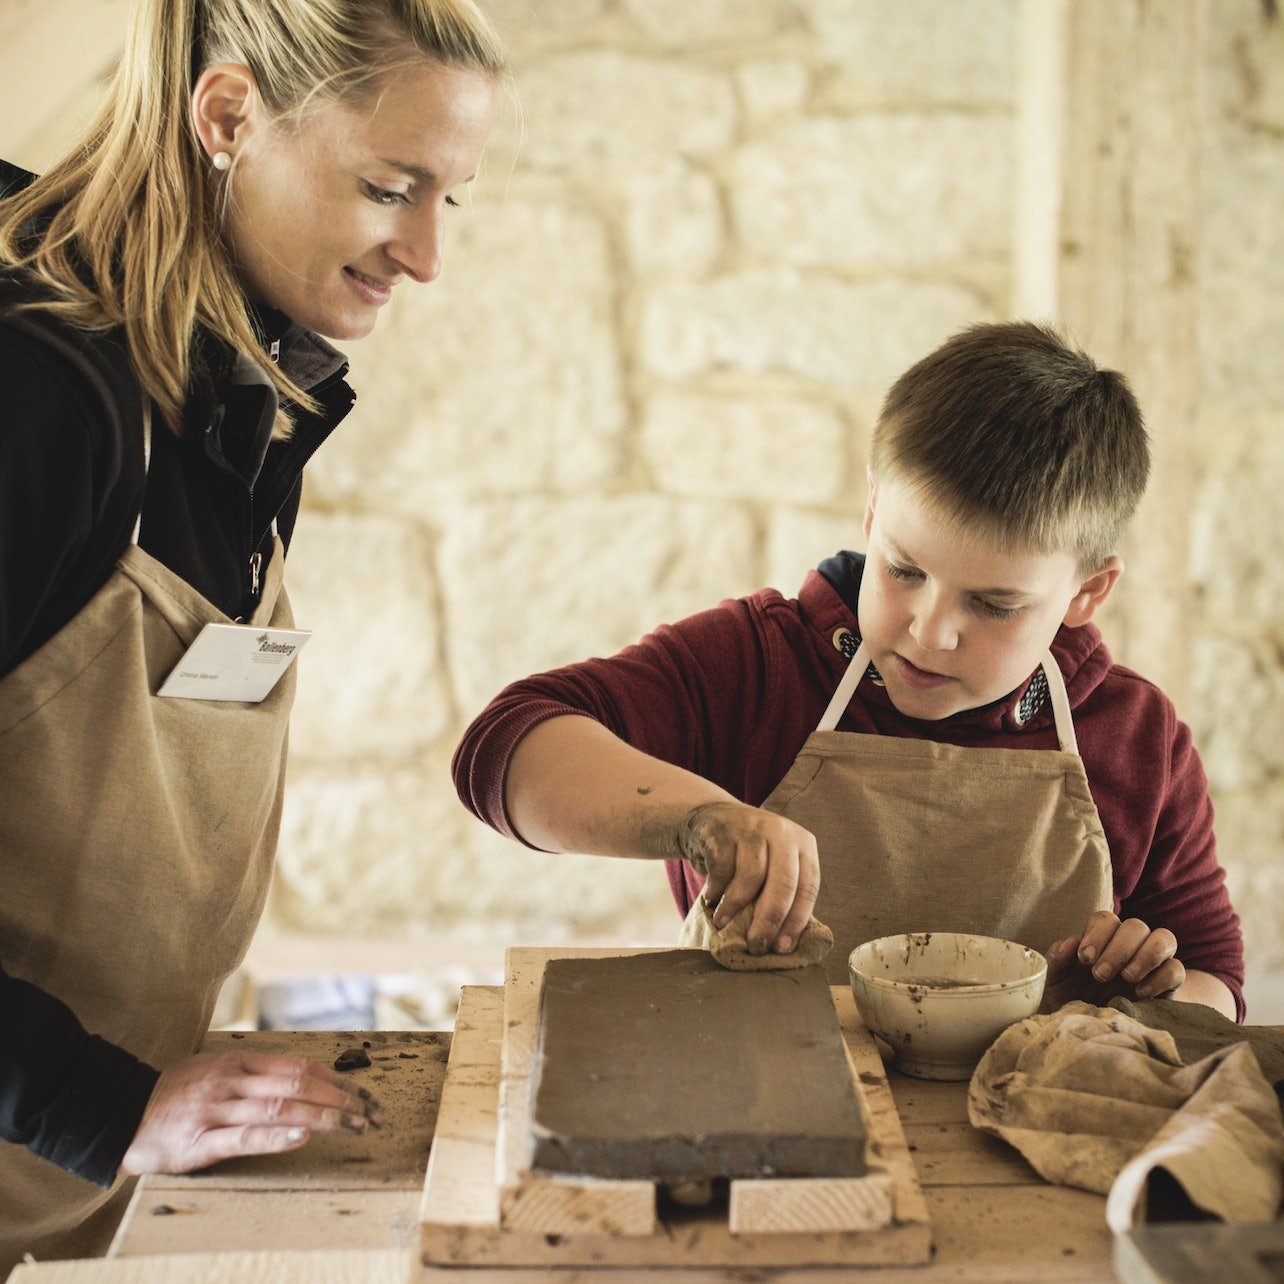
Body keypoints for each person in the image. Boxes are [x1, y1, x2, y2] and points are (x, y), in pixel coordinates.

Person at [0, 0, 505, 1267]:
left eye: (452, 199)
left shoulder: (240, 387)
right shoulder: (43, 402)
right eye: (393, 188)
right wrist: (105, 1104)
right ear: (227, 118)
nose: (428, 256)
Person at [454, 321, 1245, 1027]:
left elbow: (1219, 984)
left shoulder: (1140, 740)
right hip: (773, 1127)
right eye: (903, 569)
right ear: (872, 516)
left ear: (1086, 593)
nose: (930, 633)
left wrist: (1150, 996)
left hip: (1027, 1157)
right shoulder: (759, 666)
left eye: (995, 605)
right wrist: (701, 818)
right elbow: (502, 752)